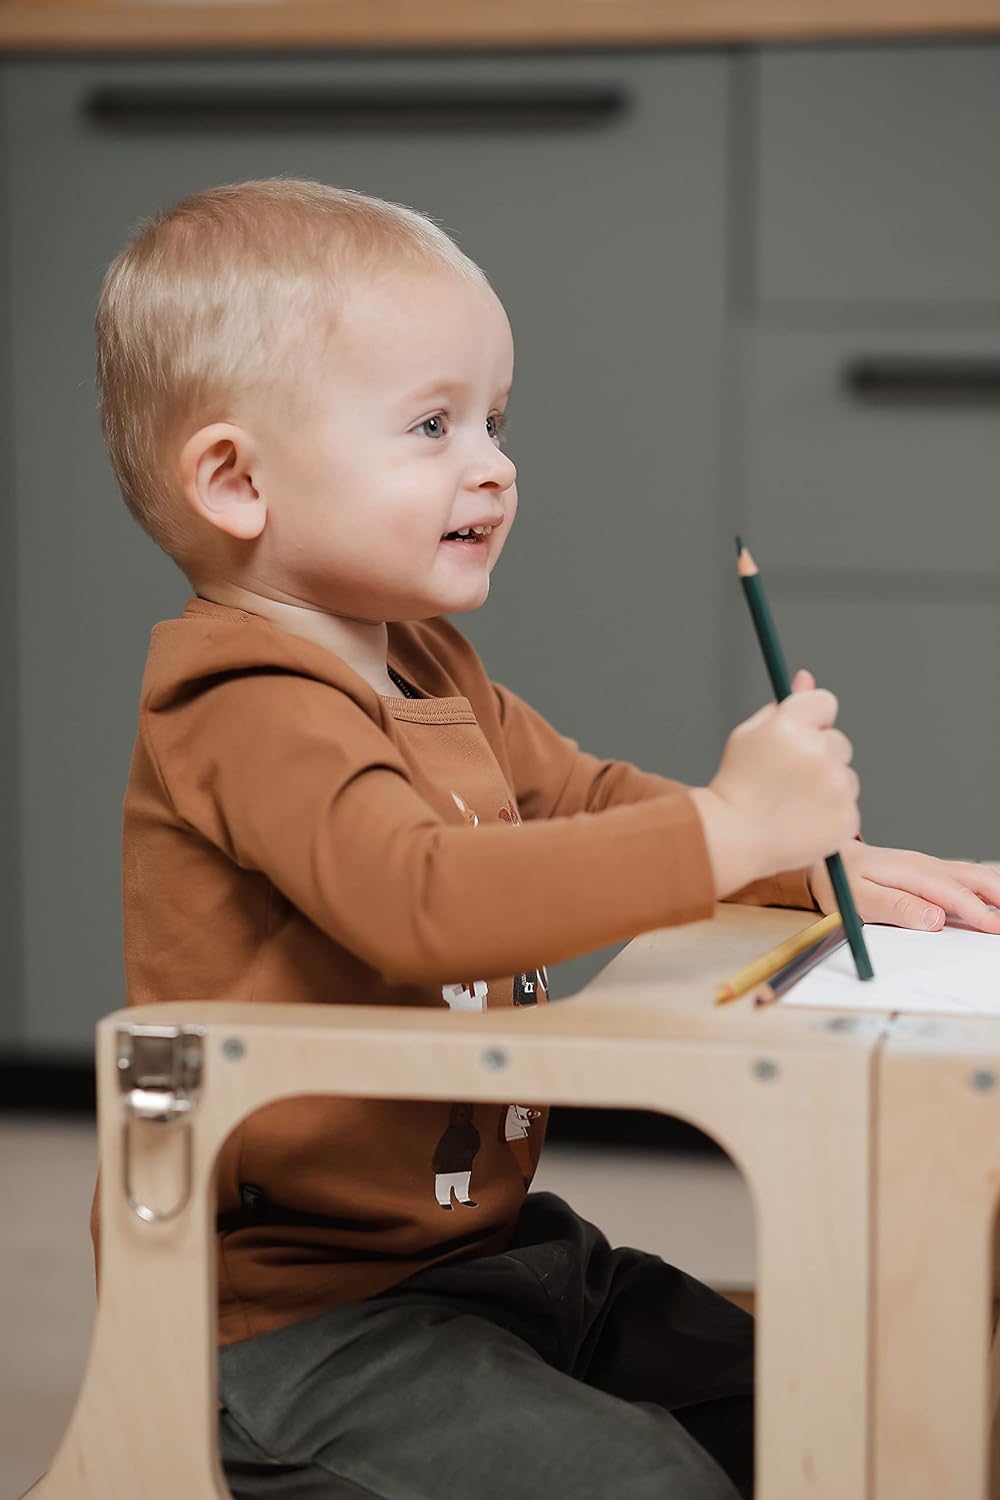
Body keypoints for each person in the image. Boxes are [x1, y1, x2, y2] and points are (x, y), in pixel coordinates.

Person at [92, 178, 1000, 1500]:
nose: (494, 464)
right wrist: (726, 825)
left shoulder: (425, 663)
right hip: (300, 1322)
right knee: (643, 1483)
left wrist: (799, 866)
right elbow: (422, 899)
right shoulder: (241, 703)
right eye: (430, 425)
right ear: (236, 480)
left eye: (495, 421)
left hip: (494, 1251)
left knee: (813, 1398)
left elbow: (580, 802)